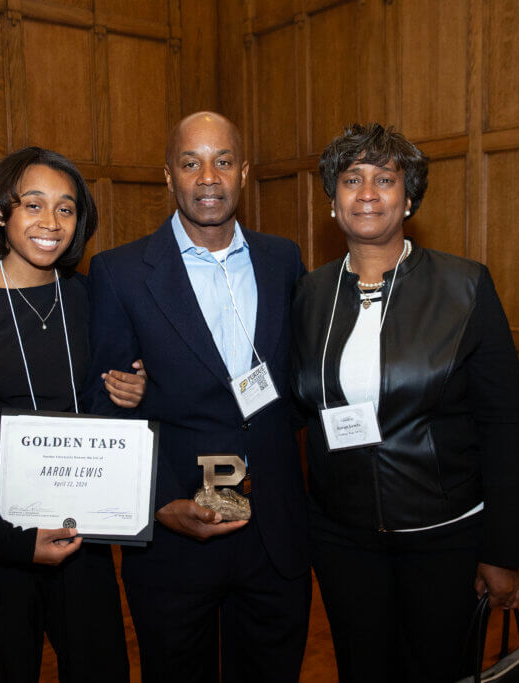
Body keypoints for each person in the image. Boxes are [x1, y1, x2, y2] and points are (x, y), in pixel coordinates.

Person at [290, 123, 519, 682]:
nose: (367, 193)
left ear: (409, 197)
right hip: (341, 537)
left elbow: (503, 426)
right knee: (362, 668)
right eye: (352, 179)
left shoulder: (465, 287)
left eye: (385, 178)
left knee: (441, 671)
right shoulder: (310, 293)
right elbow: (295, 404)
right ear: (333, 201)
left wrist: (501, 551)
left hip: (443, 536)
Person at [83, 112, 311, 682]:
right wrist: (158, 504)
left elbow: (298, 381)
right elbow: (105, 407)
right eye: (191, 163)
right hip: (177, 536)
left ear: (244, 172)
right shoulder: (119, 273)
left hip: (274, 535)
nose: (208, 177)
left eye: (223, 161)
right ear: (169, 176)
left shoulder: (283, 259)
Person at [0, 147, 145, 682]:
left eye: (66, 209)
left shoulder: (88, 296)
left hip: (82, 533)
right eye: (32, 204)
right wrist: (9, 539)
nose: (50, 222)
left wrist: (132, 389)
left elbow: (106, 394)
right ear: (0, 213)